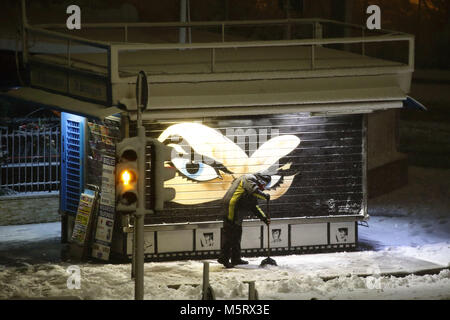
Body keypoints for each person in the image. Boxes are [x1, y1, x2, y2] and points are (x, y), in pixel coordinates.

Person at [218, 173, 271, 268]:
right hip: (231, 206)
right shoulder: (249, 178)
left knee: (237, 233)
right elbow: (255, 191)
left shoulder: (251, 189)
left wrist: (264, 218)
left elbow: (254, 207)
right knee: (231, 232)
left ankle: (236, 258)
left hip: (236, 209)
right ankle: (224, 258)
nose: (264, 188)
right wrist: (265, 196)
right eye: (264, 185)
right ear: (261, 180)